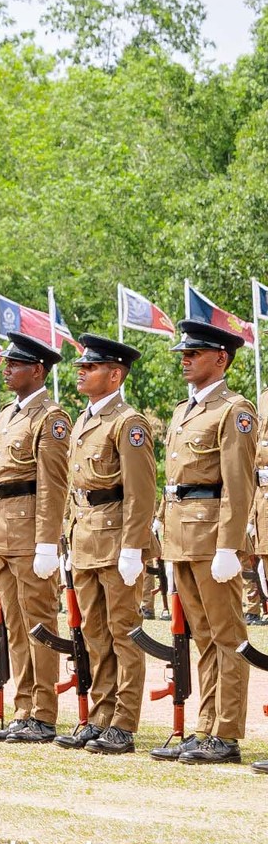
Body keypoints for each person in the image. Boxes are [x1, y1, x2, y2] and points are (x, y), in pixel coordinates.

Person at [156, 320, 259, 766]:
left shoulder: (234, 410)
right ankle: (207, 726)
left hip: (212, 534)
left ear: (221, 359)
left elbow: (239, 484)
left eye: (194, 353)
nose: (185, 360)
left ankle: (227, 732)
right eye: (184, 353)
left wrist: (228, 546)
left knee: (227, 635)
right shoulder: (185, 410)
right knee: (202, 637)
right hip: (183, 535)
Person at [57, 334, 157, 756]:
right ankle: (100, 715)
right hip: (85, 539)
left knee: (124, 634)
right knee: (94, 634)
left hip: (116, 542)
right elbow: (74, 488)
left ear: (115, 375)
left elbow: (141, 491)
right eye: (81, 366)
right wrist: (66, 537)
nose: (81, 372)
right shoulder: (84, 419)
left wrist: (134, 547)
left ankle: (123, 723)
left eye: (91, 367)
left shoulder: (127, 423)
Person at [0, 334, 71, 746]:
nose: (7, 369)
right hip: (3, 533)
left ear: (37, 370)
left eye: (15, 364)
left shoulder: (49, 417)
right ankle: (23, 710)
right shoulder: (9, 416)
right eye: (7, 363)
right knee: (15, 629)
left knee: (39, 626)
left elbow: (53, 485)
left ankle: (44, 713)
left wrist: (47, 543)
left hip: (30, 533)